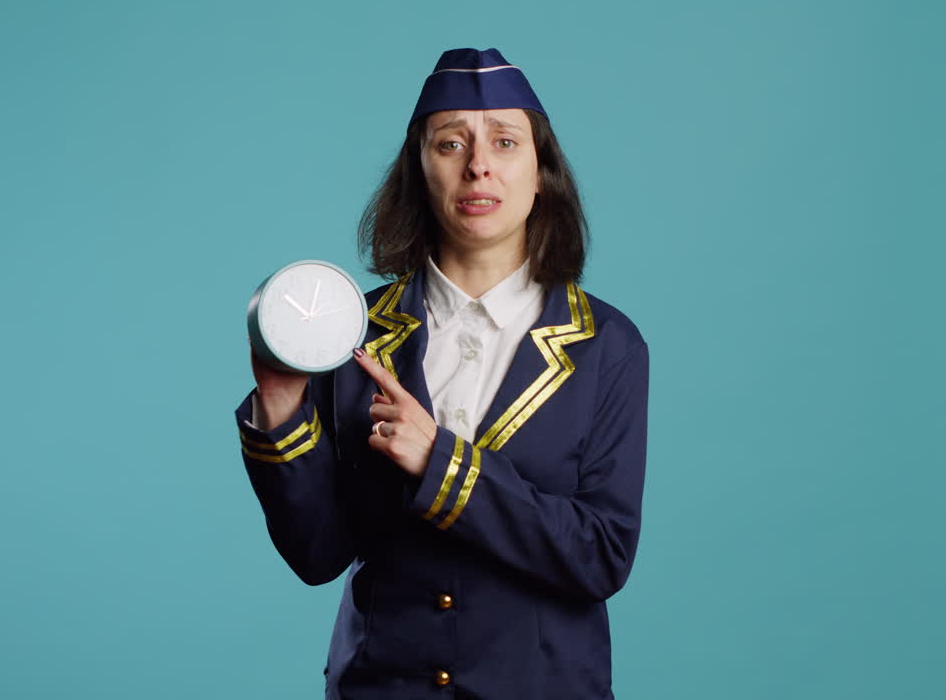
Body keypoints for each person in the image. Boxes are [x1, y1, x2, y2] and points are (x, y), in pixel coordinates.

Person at [234, 48, 649, 700]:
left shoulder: (607, 344)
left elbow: (601, 556)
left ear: (541, 174)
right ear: (419, 172)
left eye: (505, 142)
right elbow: (317, 556)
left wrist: (440, 462)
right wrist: (282, 403)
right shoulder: (351, 333)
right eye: (451, 143)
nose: (478, 164)